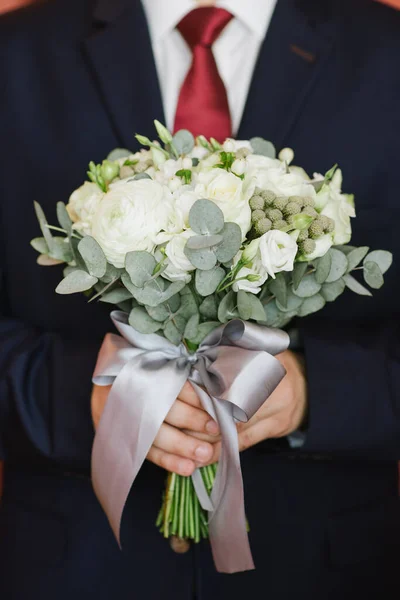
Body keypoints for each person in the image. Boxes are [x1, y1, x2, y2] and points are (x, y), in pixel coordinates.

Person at [0, 0, 399, 598]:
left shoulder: (388, 51)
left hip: (324, 567)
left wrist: (313, 392)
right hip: (74, 570)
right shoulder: (17, 53)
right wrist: (83, 401)